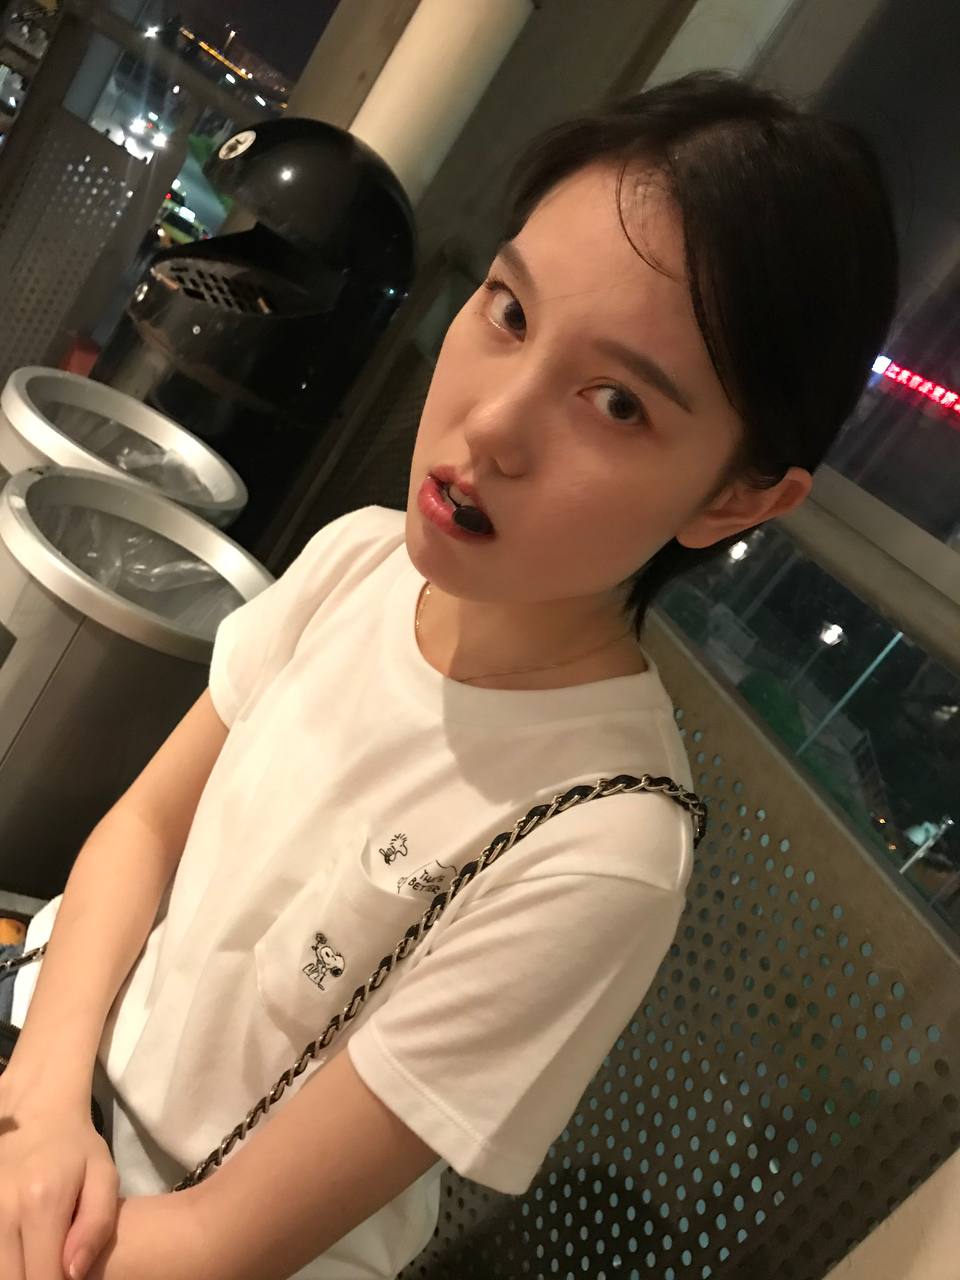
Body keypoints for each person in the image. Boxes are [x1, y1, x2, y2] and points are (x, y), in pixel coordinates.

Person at [0, 70, 897, 1280]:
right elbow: (145, 827)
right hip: (61, 1073)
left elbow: (222, 1240)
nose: (494, 425)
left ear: (737, 497)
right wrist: (40, 1102)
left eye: (616, 402)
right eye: (510, 312)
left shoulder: (603, 842)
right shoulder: (360, 561)